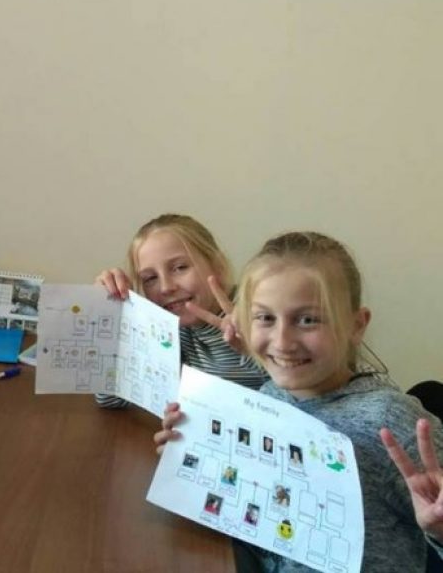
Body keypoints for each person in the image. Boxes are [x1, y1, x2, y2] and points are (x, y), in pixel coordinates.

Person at [155, 231, 443, 572]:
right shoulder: (267, 398)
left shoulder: (392, 421)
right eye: (265, 318)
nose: (282, 342)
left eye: (307, 320)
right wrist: (193, 459)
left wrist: (439, 531)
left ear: (356, 325)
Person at [94, 214, 265, 408]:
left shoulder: (262, 314)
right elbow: (110, 398)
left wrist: (252, 348)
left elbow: (292, 392)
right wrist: (113, 316)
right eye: (150, 278)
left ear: (217, 265)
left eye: (180, 268)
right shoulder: (171, 330)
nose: (166, 287)